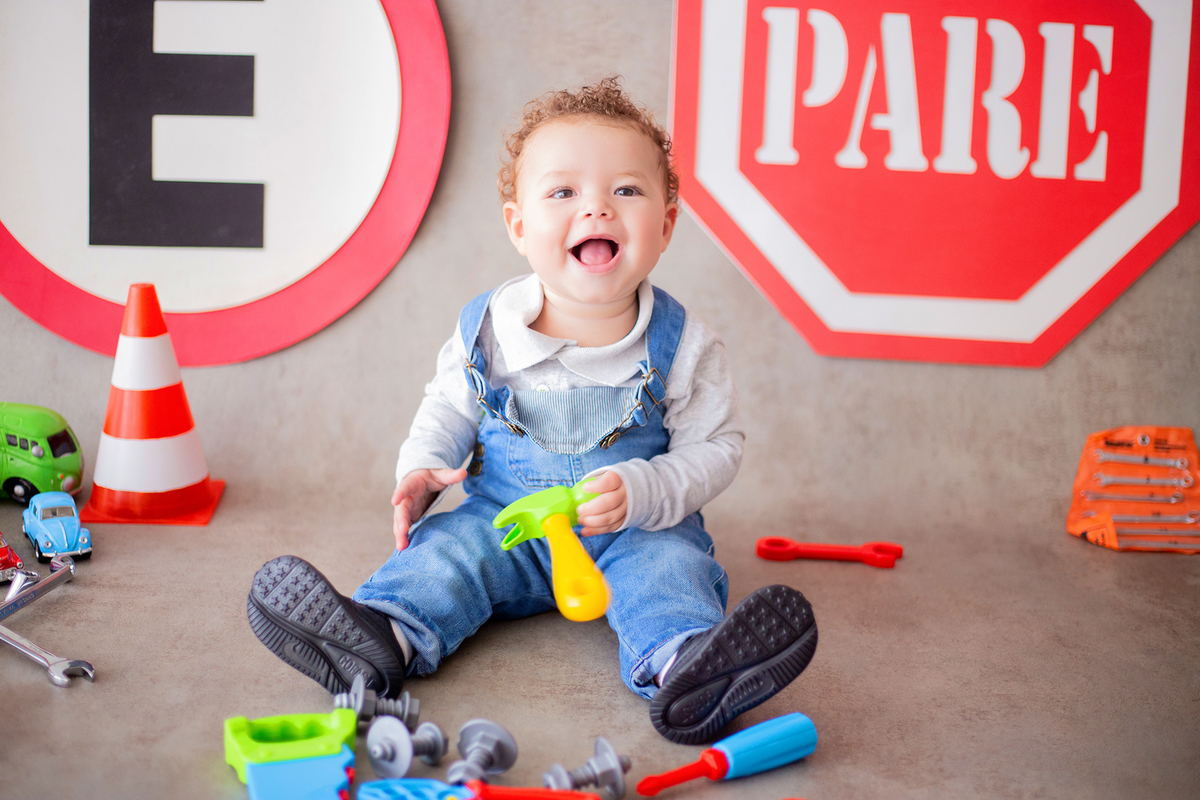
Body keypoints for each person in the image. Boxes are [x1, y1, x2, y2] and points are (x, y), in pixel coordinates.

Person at [247, 78, 816, 744]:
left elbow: (716, 447)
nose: (597, 209)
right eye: (563, 192)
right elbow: (446, 410)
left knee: (670, 572)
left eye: (626, 191)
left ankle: (685, 665)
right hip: (505, 524)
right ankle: (380, 637)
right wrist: (425, 467)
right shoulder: (487, 330)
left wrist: (648, 489)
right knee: (447, 558)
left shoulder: (685, 344)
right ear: (519, 225)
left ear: (664, 225)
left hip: (633, 528)